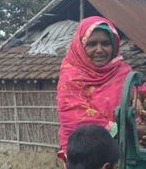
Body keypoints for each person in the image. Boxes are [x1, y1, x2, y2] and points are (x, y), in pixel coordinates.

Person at [56, 17, 132, 159]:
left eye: (105, 43)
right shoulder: (71, 77)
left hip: (129, 155)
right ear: (81, 46)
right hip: (88, 158)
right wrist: (124, 130)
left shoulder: (125, 73)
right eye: (92, 44)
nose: (99, 50)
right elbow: (76, 117)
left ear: (114, 45)